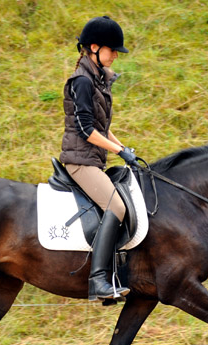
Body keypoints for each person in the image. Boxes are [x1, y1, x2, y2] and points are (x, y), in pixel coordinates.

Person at [59, 15, 138, 302]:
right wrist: (118, 152)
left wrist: (125, 149)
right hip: (80, 161)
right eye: (112, 49)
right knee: (116, 206)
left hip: (93, 158)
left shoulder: (96, 78)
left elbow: (102, 126)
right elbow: (86, 128)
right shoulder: (81, 80)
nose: (116, 55)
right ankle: (98, 280)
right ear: (94, 47)